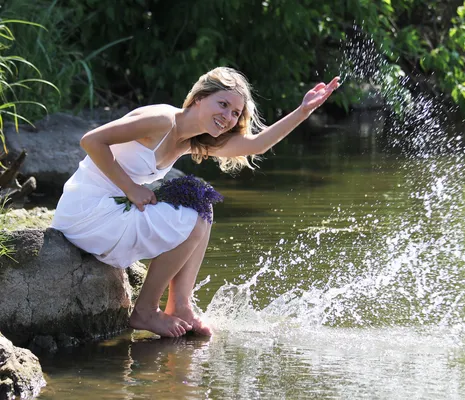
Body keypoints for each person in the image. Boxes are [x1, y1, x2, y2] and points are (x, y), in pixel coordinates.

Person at [51, 67, 341, 338]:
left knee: (202, 204)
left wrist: (303, 111)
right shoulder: (162, 120)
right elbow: (91, 141)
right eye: (223, 105)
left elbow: (257, 144)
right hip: (88, 211)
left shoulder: (190, 140)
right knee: (192, 212)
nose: (228, 116)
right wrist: (130, 189)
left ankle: (180, 305)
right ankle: (145, 311)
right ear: (200, 99)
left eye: (235, 113)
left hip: (112, 209)